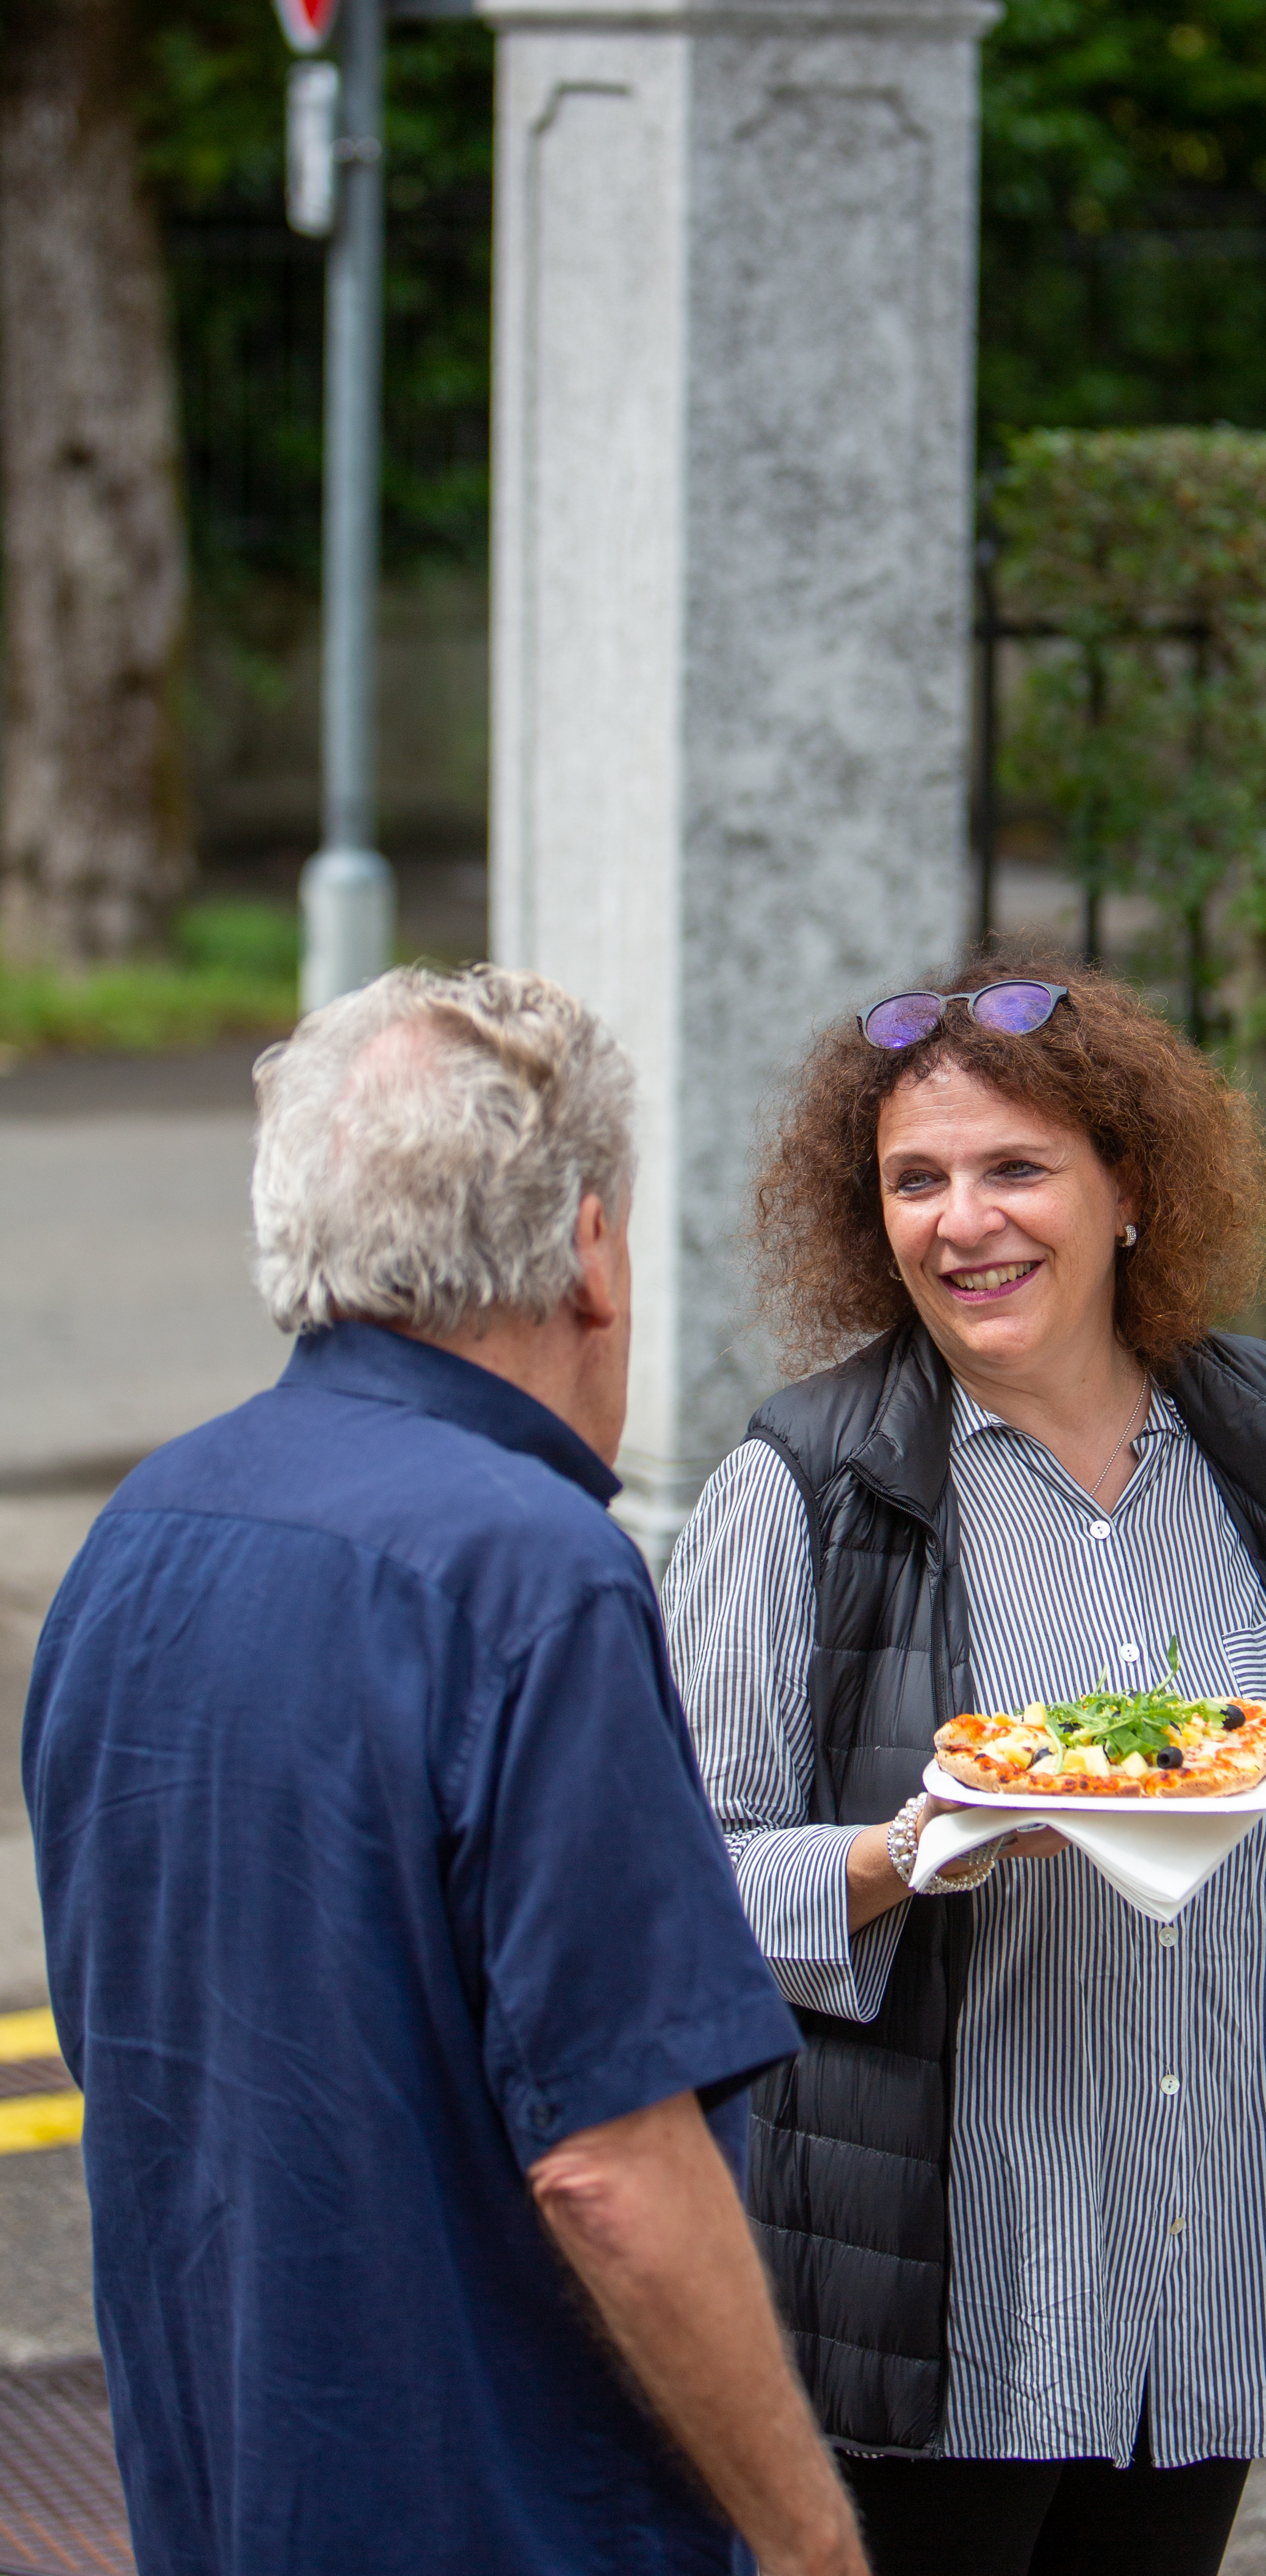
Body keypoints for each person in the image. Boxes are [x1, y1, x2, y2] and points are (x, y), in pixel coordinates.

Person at [23, 966, 868, 2576]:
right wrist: (814, 2544)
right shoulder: (535, 1572)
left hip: (229, 2489)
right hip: (514, 2518)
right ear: (588, 1253)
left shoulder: (140, 1533)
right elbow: (615, 2163)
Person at [665, 955, 1266, 2576]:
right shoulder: (802, 1491)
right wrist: (911, 1849)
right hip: (949, 2320)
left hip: (1215, 2288)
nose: (961, 1220)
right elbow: (672, 1890)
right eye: (916, 1178)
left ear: (1128, 1190)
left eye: (1014, 1166)